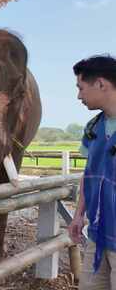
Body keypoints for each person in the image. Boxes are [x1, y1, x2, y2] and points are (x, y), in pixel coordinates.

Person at [68, 55, 116, 289]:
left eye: (81, 88)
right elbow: (89, 175)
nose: (79, 96)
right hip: (98, 235)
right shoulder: (92, 129)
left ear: (101, 84)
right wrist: (79, 215)